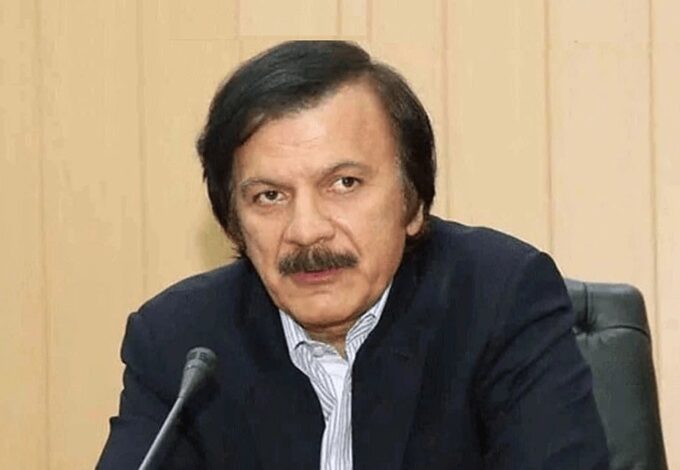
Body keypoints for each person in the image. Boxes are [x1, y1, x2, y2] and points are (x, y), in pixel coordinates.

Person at [97, 41, 609, 469]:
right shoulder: (178, 343)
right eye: (269, 196)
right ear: (233, 222)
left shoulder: (499, 301)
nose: (306, 231)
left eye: (344, 183)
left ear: (412, 203)